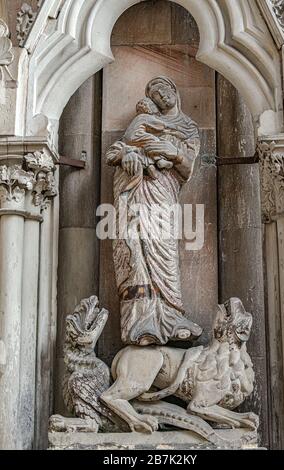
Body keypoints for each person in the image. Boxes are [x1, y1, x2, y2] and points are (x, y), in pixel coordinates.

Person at [106, 76, 202, 346]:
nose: (161, 96)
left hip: (164, 194)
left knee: (164, 253)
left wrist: (173, 152)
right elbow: (116, 151)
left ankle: (171, 316)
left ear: (175, 90)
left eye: (164, 90)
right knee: (136, 252)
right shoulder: (142, 124)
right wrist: (129, 157)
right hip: (137, 194)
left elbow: (187, 168)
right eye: (155, 94)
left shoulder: (188, 128)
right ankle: (140, 321)